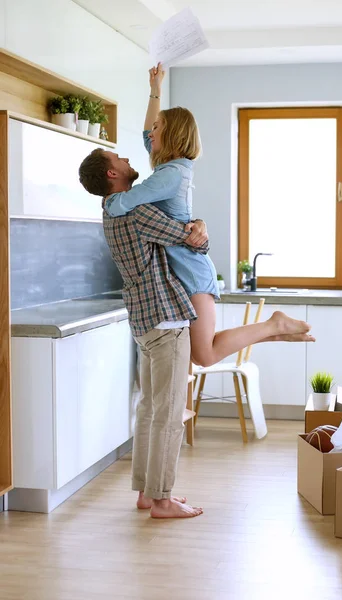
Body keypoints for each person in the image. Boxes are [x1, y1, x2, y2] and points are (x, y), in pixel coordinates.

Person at [102, 63, 315, 368]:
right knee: (201, 354)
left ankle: (274, 326)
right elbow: (147, 134)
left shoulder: (169, 176)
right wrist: (155, 91)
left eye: (159, 127)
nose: (152, 132)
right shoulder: (170, 168)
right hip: (183, 269)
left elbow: (127, 202)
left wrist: (108, 203)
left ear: (172, 134)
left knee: (205, 355)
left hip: (191, 271)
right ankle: (276, 330)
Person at [79, 157, 210, 519]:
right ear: (112, 173)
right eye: (118, 160)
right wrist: (200, 226)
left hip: (143, 322)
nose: (126, 160)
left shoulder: (110, 210)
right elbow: (192, 241)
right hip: (166, 318)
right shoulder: (137, 213)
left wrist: (194, 227)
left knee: (150, 409)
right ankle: (163, 501)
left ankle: (145, 493)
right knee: (168, 415)